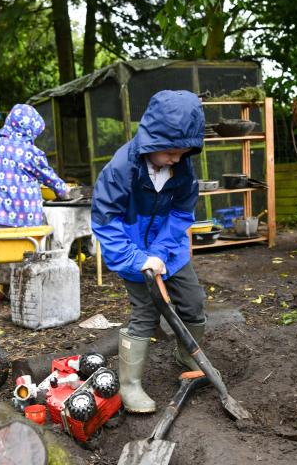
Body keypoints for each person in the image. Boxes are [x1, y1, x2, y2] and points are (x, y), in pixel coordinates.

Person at [91, 89, 206, 413]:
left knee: (193, 301)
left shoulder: (182, 168)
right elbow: (105, 223)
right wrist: (140, 260)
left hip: (170, 249)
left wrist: (160, 252)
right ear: (152, 141)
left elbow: (183, 213)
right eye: (171, 152)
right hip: (132, 250)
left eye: (183, 152)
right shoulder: (119, 170)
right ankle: (130, 386)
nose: (176, 159)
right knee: (145, 311)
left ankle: (187, 358)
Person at [0, 104, 70, 230]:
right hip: (28, 219)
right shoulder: (33, 152)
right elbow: (49, 177)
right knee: (31, 247)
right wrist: (64, 191)